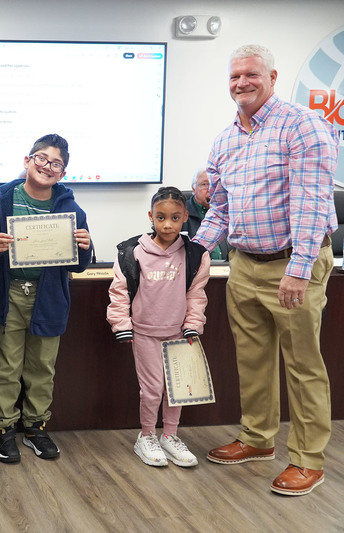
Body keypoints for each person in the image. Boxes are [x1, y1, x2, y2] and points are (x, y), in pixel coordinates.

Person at [194, 44, 338, 496]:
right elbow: (219, 209)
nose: (242, 83)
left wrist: (298, 269)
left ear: (272, 77)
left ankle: (308, 459)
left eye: (251, 75)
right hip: (244, 266)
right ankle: (257, 439)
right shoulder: (225, 139)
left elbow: (313, 201)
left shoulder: (303, 125)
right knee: (251, 361)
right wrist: (189, 255)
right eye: (235, 76)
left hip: (292, 264)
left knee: (303, 365)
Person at [0, 134, 93, 463]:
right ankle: (5, 430)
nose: (47, 166)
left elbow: (81, 264)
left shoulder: (71, 208)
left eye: (56, 163)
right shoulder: (1, 199)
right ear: (27, 160)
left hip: (48, 299)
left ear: (63, 173)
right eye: (41, 158)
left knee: (42, 367)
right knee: (5, 367)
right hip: (9, 295)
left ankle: (35, 427)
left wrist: (85, 246)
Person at [107, 186, 211, 468]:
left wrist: (192, 325)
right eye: (161, 217)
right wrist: (122, 325)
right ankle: (147, 436)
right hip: (144, 333)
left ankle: (170, 436)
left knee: (178, 388)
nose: (167, 224)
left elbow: (196, 295)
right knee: (152, 389)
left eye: (175, 218)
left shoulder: (196, 255)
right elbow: (119, 292)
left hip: (179, 333)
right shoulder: (132, 252)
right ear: (150, 216)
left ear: (185, 217)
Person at [182, 169, 230, 260]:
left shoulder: (226, 211)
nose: (210, 189)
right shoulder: (183, 214)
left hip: (225, 269)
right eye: (204, 184)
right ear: (193, 188)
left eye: (214, 184)